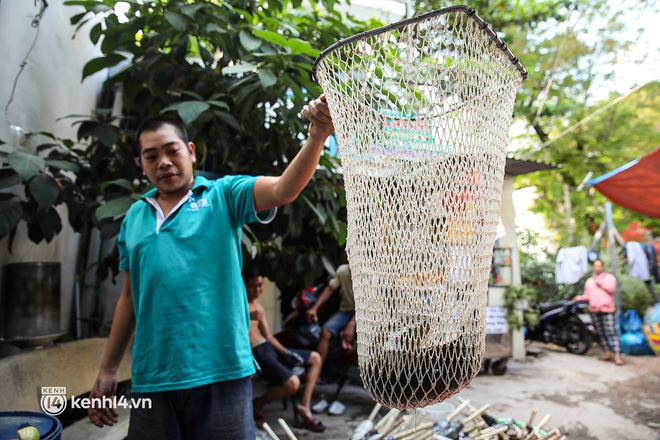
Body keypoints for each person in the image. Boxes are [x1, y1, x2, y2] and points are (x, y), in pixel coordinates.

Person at [86, 96, 334, 439]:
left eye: (172, 150)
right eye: (151, 156)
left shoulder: (223, 196)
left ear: (191, 151)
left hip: (222, 372)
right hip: (152, 377)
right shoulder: (134, 218)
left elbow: (282, 189)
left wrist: (317, 136)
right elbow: (129, 297)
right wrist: (108, 369)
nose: (164, 162)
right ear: (141, 165)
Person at [245, 274, 325, 432]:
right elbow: (232, 327)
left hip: (269, 347)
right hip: (256, 352)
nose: (258, 289)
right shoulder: (239, 307)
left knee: (315, 358)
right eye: (253, 285)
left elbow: (268, 336)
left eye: (260, 285)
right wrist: (248, 316)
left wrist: (286, 352)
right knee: (293, 383)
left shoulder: (259, 307)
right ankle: (258, 404)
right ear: (244, 287)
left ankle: (304, 407)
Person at [573, 259, 624, 366]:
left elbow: (611, 289)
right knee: (601, 332)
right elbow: (588, 295)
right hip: (595, 310)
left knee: (611, 331)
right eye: (595, 266)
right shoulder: (589, 281)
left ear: (602, 267)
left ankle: (617, 355)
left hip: (607, 309)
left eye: (599, 266)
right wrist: (580, 298)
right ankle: (607, 353)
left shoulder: (609, 278)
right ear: (593, 267)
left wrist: (598, 281)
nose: (597, 268)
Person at [306, 264, 355, 364]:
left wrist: (352, 323)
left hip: (367, 312)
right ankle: (317, 371)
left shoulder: (370, 272)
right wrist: (314, 308)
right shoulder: (342, 270)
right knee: (325, 331)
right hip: (346, 310)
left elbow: (372, 302)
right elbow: (329, 289)